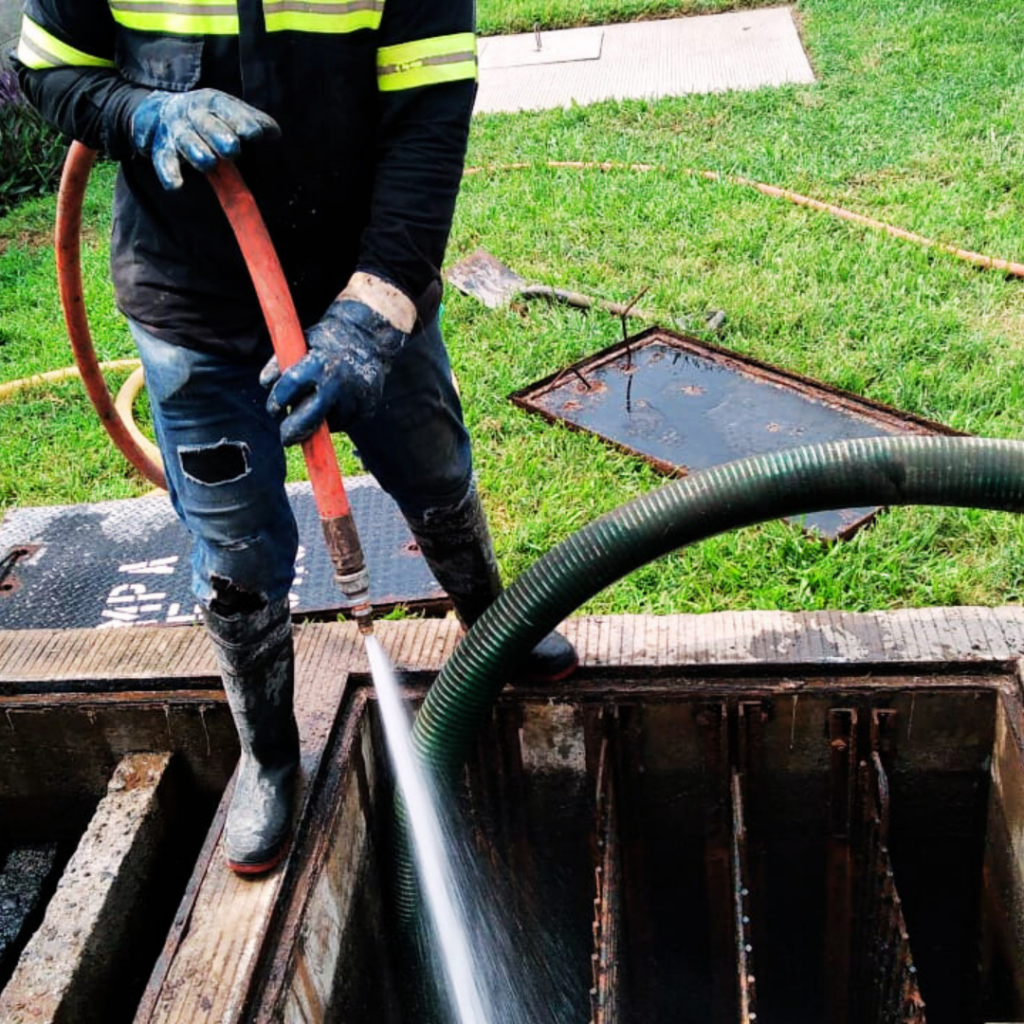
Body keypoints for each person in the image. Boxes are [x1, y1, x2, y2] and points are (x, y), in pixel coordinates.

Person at [14, 0, 578, 876]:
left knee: (430, 467)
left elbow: (429, 116)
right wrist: (142, 113)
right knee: (235, 552)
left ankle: (488, 620)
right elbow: (48, 70)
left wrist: (369, 316)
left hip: (366, 281)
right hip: (191, 307)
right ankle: (270, 758)